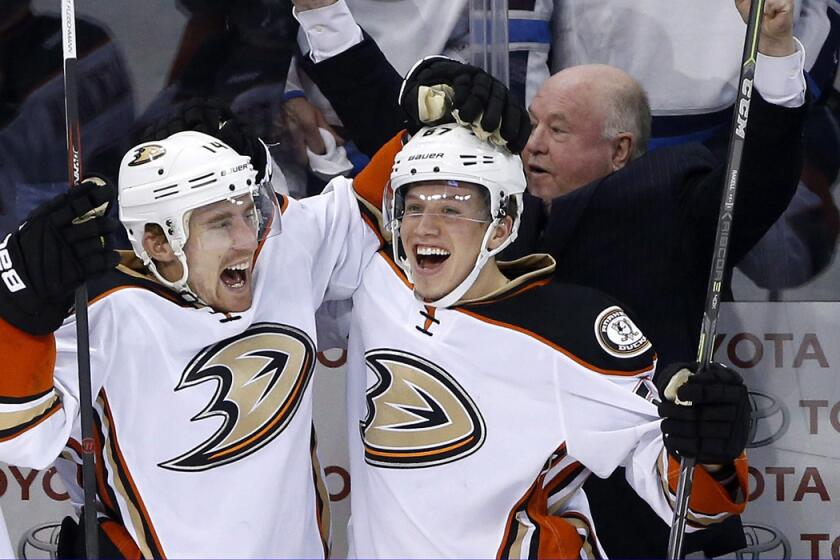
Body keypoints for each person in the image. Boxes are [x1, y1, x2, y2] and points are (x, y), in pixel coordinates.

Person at [287, 0, 805, 554]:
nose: (532, 142)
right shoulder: (491, 213)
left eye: (557, 129)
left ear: (620, 150)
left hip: (644, 517)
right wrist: (327, 16)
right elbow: (409, 150)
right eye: (532, 124)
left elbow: (758, 179)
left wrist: (773, 50)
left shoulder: (669, 202)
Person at [332, 122, 751, 557]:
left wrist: (711, 450)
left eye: (453, 210)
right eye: (413, 207)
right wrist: (420, 115)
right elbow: (292, 240)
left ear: (501, 226)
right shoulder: (376, 283)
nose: (425, 228)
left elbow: (679, 495)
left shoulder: (569, 331)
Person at [0, 127, 378, 556]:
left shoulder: (278, 258)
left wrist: (429, 123)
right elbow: (21, 437)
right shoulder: (104, 313)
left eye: (248, 212)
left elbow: (367, 211)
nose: (245, 238)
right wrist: (17, 314)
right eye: (220, 223)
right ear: (157, 242)